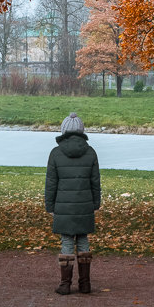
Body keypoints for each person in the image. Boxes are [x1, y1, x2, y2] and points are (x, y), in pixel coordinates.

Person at [45, 112, 101, 295]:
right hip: (84, 206)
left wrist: (50, 206)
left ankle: (65, 284)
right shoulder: (91, 152)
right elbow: (95, 182)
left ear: (63, 130)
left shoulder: (55, 153)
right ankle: (85, 284)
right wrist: (95, 203)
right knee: (83, 241)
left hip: (63, 207)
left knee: (67, 243)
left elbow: (51, 183)